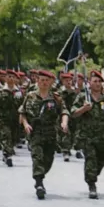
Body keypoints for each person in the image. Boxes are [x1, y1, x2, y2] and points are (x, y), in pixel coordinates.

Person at [71, 71, 104, 199]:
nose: (98, 84)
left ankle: (92, 174)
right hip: (87, 135)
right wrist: (83, 109)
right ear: (89, 83)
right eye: (95, 81)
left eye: (100, 81)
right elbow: (73, 113)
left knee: (103, 159)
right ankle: (92, 184)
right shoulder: (83, 97)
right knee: (91, 158)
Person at [19, 70, 70, 199]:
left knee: (48, 160)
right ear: (37, 81)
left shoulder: (56, 98)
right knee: (37, 157)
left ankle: (40, 175)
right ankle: (39, 183)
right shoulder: (30, 96)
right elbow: (22, 112)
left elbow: (64, 111)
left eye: (47, 80)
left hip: (51, 133)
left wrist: (64, 123)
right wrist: (25, 124)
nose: (44, 82)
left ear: (51, 82)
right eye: (42, 80)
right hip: (35, 132)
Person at [0, 69, 20, 167]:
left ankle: (6, 153)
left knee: (13, 137)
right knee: (6, 135)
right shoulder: (0, 91)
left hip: (15, 119)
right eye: (8, 76)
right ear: (5, 78)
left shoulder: (18, 92)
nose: (10, 78)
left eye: (12, 77)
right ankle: (8, 155)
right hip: (3, 119)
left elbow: (22, 105)